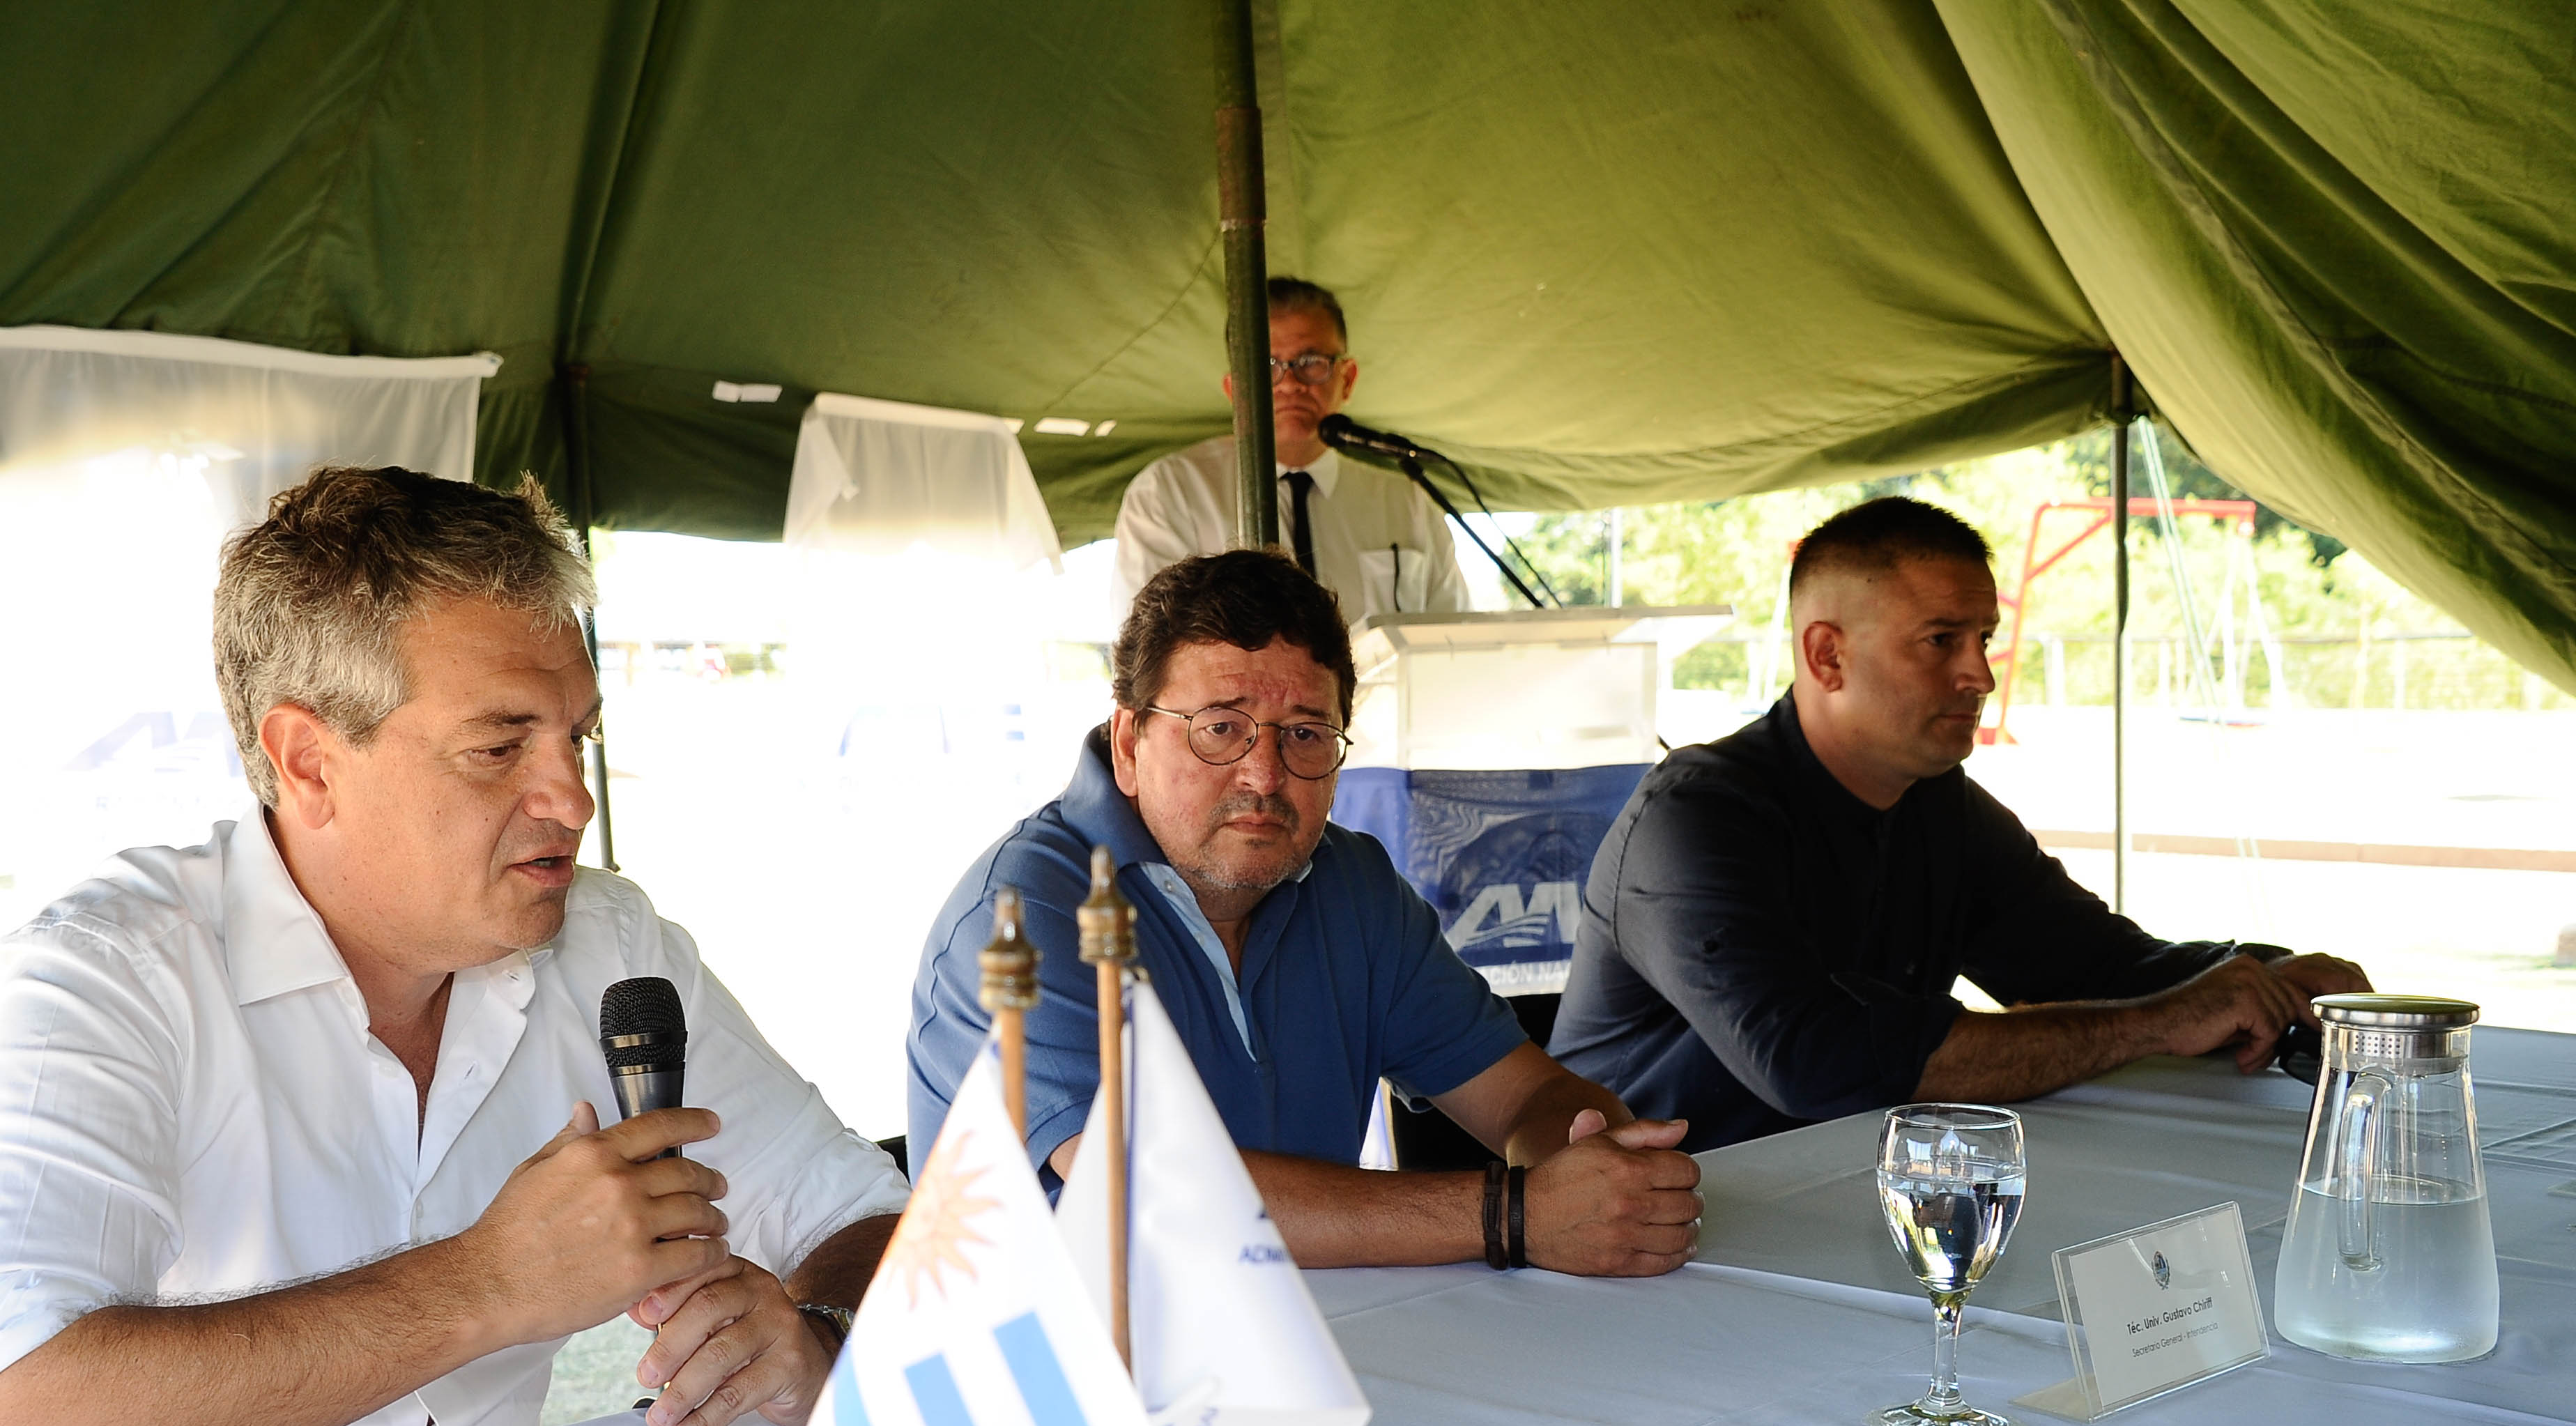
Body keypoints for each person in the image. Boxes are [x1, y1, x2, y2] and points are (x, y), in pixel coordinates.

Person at [0, 467, 907, 1426]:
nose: (570, 799)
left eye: (578, 737)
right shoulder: (113, 973)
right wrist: (487, 1284)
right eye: (498, 747)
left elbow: (871, 1221)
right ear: (309, 762)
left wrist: (814, 1331)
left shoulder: (608, 943)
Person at [911, 549, 1701, 1275]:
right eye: (1220, 727)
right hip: (1058, 1384)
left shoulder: (1347, 883)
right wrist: (1516, 1214)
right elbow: (1149, 1189)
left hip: (1308, 1345)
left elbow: (1522, 1097)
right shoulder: (1020, 914)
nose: (1263, 773)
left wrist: (1598, 1160)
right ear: (1127, 744)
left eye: (1304, 734)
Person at [1549, 495, 2370, 1152]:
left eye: (1981, 637)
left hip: (1835, 1199)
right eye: (1939, 640)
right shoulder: (1696, 817)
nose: (1977, 673)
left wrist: (2258, 973)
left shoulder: (1937, 805)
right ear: (1825, 656)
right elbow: (1809, 1060)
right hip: (1652, 1229)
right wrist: (2168, 1016)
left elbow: (2096, 967)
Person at [1110, 277, 1469, 631]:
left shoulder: (1407, 502)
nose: (1291, 383)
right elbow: (1144, 653)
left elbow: (1455, 641)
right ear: (1234, 389)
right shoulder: (1170, 493)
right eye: (1267, 366)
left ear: (1347, 378)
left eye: (1310, 361)